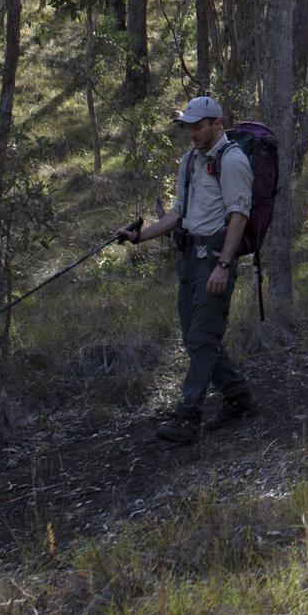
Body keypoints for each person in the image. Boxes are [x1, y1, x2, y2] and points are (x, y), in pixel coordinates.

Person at [117, 94, 256, 444]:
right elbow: (179, 212)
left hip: (214, 259)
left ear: (215, 124)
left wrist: (224, 265)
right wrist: (141, 236)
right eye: (188, 127)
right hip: (189, 259)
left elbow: (239, 216)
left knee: (202, 337)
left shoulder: (233, 161)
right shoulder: (190, 161)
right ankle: (239, 396)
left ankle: (189, 414)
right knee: (195, 337)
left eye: (198, 126)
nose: (192, 133)